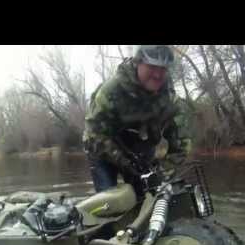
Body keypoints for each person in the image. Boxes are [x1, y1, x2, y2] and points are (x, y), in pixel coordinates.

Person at [83, 45, 193, 194]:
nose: (158, 75)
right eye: (152, 67)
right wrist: (125, 162)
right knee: (109, 202)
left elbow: (183, 143)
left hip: (142, 153)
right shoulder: (110, 92)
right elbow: (92, 136)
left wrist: (163, 172)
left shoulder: (169, 99)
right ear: (138, 63)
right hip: (104, 152)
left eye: (163, 69)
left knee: (146, 198)